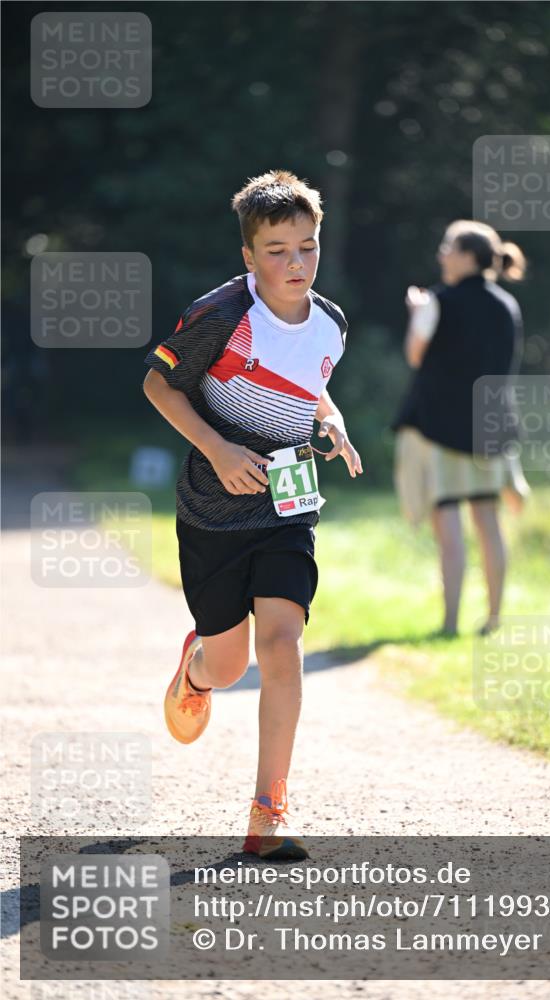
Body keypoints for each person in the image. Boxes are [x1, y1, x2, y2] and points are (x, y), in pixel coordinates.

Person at [143, 170, 363, 859]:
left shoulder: (331, 322)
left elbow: (309, 382)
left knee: (281, 646)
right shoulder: (221, 315)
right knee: (231, 663)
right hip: (213, 508)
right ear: (248, 255)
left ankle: (269, 811)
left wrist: (332, 419)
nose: (296, 263)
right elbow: (158, 385)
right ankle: (197, 668)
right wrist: (217, 447)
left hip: (288, 503)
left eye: (307, 246)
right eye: (277, 250)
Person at [393, 219, 530, 637]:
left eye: (448, 247)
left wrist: (417, 314)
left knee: (449, 525)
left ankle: (450, 623)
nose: (441, 254)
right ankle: (494, 618)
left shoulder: (437, 301)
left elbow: (415, 355)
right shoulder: (507, 305)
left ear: (468, 257)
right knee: (489, 523)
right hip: (490, 429)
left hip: (440, 428)